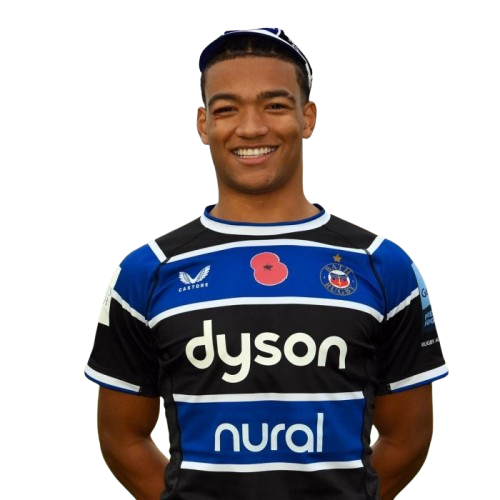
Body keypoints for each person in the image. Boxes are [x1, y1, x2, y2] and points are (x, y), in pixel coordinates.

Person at [84, 27, 449, 500]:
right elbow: (122, 439)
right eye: (226, 109)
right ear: (202, 124)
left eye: (274, 105)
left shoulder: (383, 264)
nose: (252, 128)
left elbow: (408, 439)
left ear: (307, 117)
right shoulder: (145, 271)